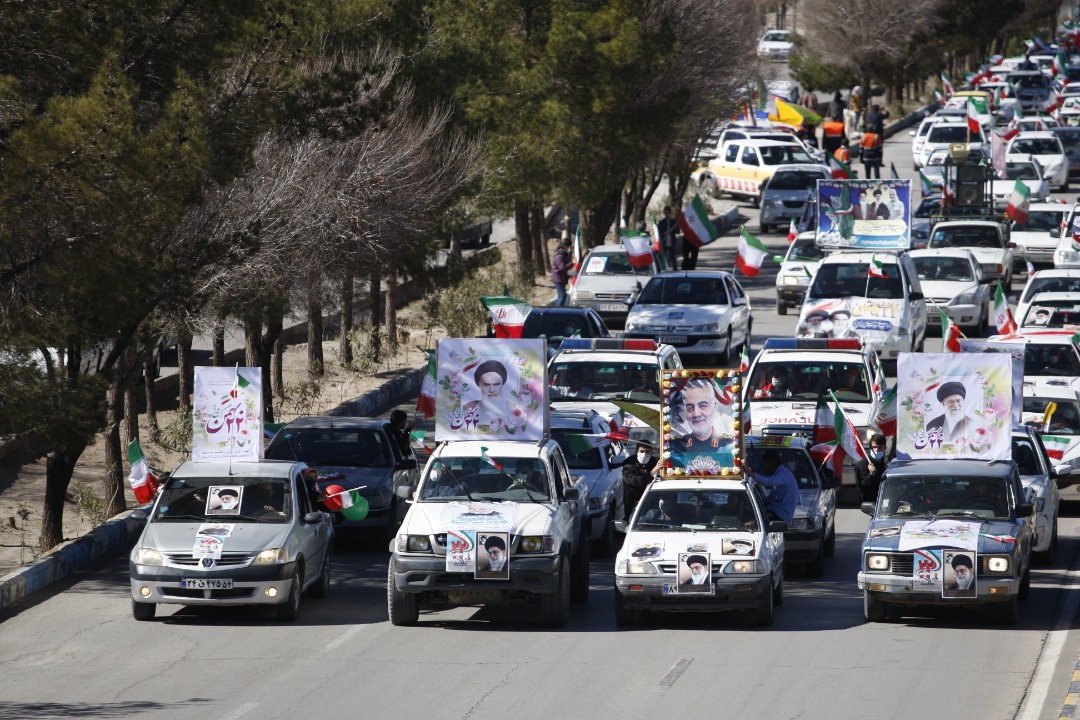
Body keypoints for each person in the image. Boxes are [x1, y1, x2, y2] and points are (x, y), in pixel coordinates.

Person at [668, 378, 736, 474]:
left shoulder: (729, 446)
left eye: (703, 406)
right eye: (690, 407)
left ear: (714, 407)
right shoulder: (676, 447)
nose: (696, 414)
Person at [746, 449, 799, 523]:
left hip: (780, 515)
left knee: (754, 521)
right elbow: (770, 500)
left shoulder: (784, 474)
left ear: (769, 464)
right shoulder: (780, 475)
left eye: (765, 465)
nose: (765, 468)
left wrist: (751, 473)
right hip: (775, 510)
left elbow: (768, 482)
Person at [464, 359, 508, 430]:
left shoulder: (513, 409)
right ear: (480, 386)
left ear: (502, 384)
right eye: (486, 385)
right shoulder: (468, 408)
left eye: (496, 384)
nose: (492, 390)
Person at [621, 442, 658, 521]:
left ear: (651, 453)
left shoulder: (654, 463)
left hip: (652, 506)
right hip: (633, 507)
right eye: (641, 451)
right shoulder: (628, 466)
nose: (644, 454)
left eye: (647, 452)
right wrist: (653, 471)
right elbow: (638, 482)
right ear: (636, 452)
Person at [854, 433, 888, 502]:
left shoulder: (886, 463)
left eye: (880, 447)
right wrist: (871, 475)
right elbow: (862, 488)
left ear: (885, 448)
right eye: (874, 447)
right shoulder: (862, 464)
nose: (876, 450)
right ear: (870, 448)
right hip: (871, 503)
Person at [657, 206, 680, 271]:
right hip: (664, 241)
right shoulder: (661, 222)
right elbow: (659, 232)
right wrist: (664, 233)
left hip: (671, 241)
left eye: (668, 212)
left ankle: (675, 269)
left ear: (670, 213)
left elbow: (677, 231)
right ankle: (662, 269)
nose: (666, 214)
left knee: (673, 256)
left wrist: (675, 228)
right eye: (665, 212)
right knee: (663, 256)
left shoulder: (674, 222)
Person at [550, 238, 572, 306]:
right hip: (558, 278)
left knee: (560, 296)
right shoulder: (559, 255)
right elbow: (562, 268)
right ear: (565, 246)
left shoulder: (563, 254)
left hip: (560, 278)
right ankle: (557, 311)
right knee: (563, 296)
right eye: (569, 247)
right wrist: (572, 263)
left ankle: (555, 309)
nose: (569, 249)